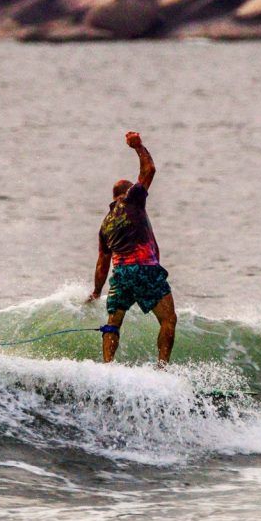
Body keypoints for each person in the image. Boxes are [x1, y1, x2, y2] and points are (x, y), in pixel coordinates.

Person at [88, 131, 177, 368]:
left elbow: (102, 263)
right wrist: (139, 147)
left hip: (121, 275)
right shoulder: (133, 198)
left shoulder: (105, 224)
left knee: (113, 324)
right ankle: (162, 368)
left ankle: (108, 367)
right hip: (145, 270)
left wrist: (97, 292)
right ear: (128, 192)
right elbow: (149, 170)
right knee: (168, 319)